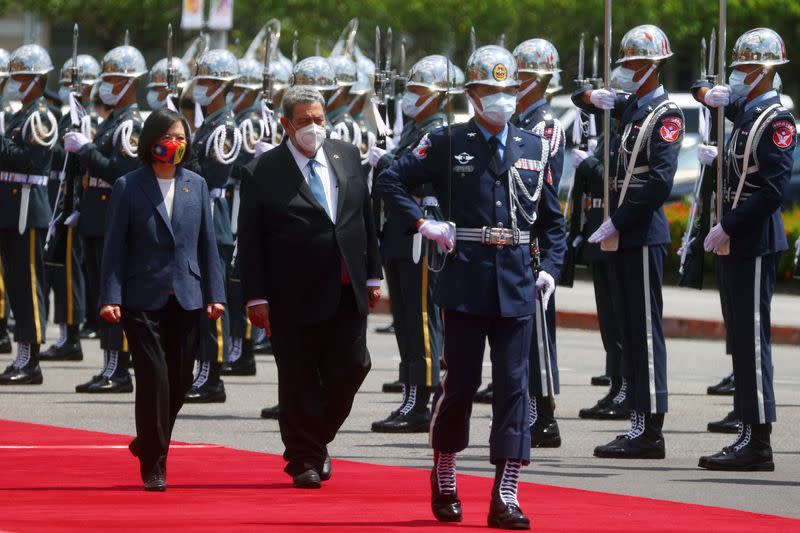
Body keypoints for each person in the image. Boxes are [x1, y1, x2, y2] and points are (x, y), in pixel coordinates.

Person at [378, 45, 565, 529]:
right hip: (465, 279)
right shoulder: (445, 141)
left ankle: (506, 492)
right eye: (491, 91)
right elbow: (390, 180)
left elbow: (552, 220)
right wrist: (424, 223)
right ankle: (445, 471)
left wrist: (552, 269)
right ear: (472, 95)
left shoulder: (532, 146)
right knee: (459, 385)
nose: (501, 100)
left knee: (514, 388)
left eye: (508, 91)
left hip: (518, 283)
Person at [238, 85, 381, 489]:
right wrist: (256, 295)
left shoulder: (346, 156)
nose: (314, 128)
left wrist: (372, 274)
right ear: (286, 124)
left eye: (319, 119)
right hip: (291, 294)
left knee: (354, 365)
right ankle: (303, 459)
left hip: (345, 286)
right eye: (304, 121)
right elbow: (250, 241)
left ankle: (315, 440)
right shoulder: (262, 171)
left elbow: (363, 220)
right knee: (299, 378)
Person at [99, 108, 226, 491]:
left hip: (187, 294)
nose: (176, 143)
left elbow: (208, 244)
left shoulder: (197, 185)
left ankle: (148, 441)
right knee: (153, 377)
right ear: (151, 140)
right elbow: (114, 247)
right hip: (142, 296)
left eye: (182, 137)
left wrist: (216, 293)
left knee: (181, 378)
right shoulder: (128, 185)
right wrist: (110, 295)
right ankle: (155, 463)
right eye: (169, 136)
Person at [574, 24, 682, 460]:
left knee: (644, 332)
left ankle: (650, 428)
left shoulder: (665, 115)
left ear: (653, 68)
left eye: (634, 64)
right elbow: (587, 97)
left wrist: (617, 220)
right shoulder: (632, 108)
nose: (626, 71)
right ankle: (637, 421)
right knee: (626, 331)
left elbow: (658, 182)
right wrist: (590, 98)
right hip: (620, 232)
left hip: (639, 232)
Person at [694, 28, 794, 472]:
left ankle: (758, 442)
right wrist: (704, 92)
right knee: (741, 339)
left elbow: (772, 191)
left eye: (743, 70)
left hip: (753, 241)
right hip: (737, 240)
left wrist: (727, 225)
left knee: (753, 341)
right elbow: (717, 100)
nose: (736, 77)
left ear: (764, 71)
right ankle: (746, 432)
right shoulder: (750, 111)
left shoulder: (776, 120)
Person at [367, 55, 454, 433]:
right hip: (400, 234)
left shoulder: (438, 134)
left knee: (420, 319)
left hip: (422, 234)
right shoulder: (414, 131)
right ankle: (410, 393)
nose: (410, 97)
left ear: (437, 97)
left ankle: (425, 397)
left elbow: (416, 180)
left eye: (418, 91)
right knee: (403, 319)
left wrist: (387, 161)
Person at [66, 44, 147, 393]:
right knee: (104, 294)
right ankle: (109, 365)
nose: (107, 84)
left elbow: (121, 170)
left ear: (129, 82)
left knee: (116, 294)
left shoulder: (130, 124)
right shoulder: (113, 120)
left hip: (116, 214)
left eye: (114, 78)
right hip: (99, 212)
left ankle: (120, 369)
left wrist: (85, 149)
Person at [512, 38, 567, 448]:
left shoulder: (545, 124)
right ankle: (527, 408)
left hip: (533, 233)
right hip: (513, 234)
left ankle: (544, 416)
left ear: (538, 79)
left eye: (521, 76)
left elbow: (540, 189)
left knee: (538, 333)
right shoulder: (517, 120)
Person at [182, 49, 241, 403]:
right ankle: (203, 368)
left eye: (206, 81)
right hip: (200, 213)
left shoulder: (226, 128)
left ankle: (213, 374)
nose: (200, 87)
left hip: (214, 216)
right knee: (202, 298)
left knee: (214, 301)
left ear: (221, 86)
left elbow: (215, 175)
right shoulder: (208, 125)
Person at [0, 44, 59, 385]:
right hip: (11, 208)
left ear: (36, 80)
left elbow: (32, 161)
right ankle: (21, 354)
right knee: (16, 286)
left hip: (26, 208)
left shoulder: (41, 116)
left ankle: (31, 359)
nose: (13, 82)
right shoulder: (20, 115)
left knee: (28, 283)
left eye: (20, 76)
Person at [40, 54, 100, 363]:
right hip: (60, 200)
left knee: (69, 273)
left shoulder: (87, 118)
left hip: (74, 204)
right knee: (59, 270)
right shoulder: (71, 115)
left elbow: (81, 167)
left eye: (72, 83)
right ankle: (66, 332)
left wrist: (77, 205)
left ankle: (71, 336)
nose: (67, 89)